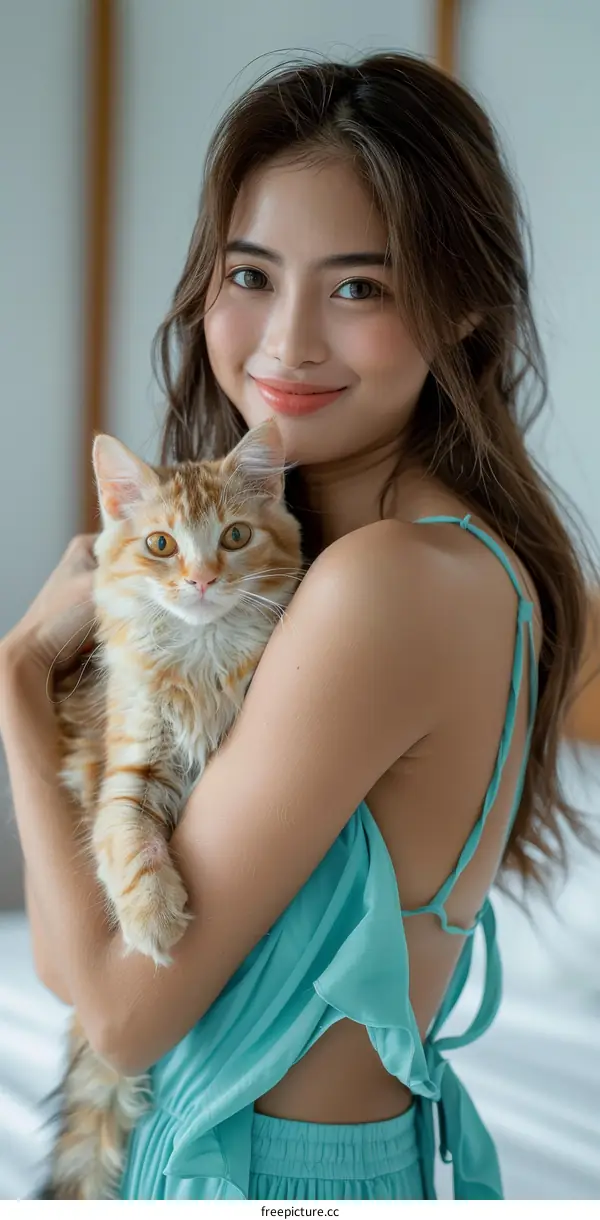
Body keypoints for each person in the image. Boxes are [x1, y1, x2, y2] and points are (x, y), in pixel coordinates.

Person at [0, 51, 594, 1201]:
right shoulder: (394, 557)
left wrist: (19, 680)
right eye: (252, 273)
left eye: (359, 287)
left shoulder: (387, 582)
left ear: (465, 305)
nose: (287, 342)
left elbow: (118, 1008)